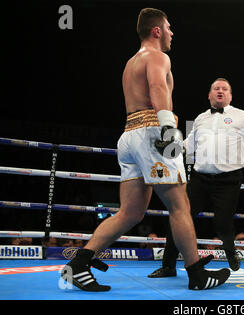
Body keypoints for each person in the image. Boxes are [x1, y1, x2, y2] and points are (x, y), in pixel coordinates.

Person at [61, 8, 230, 292]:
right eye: (169, 28)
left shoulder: (130, 63)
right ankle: (196, 275)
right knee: (180, 205)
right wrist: (167, 128)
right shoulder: (157, 56)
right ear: (157, 31)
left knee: (130, 212)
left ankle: (79, 264)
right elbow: (156, 88)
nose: (172, 33)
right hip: (153, 132)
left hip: (129, 135)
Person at [148, 78, 244, 277]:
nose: (220, 91)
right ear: (209, 94)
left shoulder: (241, 116)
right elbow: (189, 144)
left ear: (230, 96)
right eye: (216, 88)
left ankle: (231, 252)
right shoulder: (200, 118)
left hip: (229, 180)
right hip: (200, 179)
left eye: (224, 89)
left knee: (223, 224)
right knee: (180, 218)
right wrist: (170, 146)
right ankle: (168, 266)